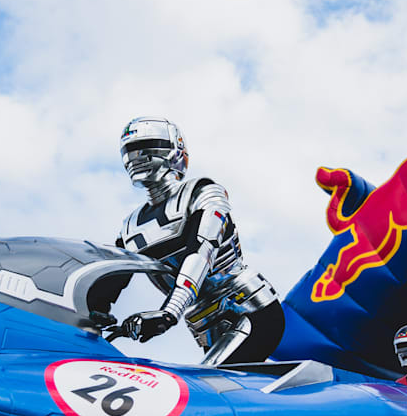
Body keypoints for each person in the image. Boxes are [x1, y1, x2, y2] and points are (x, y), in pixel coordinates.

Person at [116, 117, 284, 365]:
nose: (136, 157)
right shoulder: (129, 227)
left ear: (173, 150)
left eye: (149, 145)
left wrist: (169, 313)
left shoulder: (203, 192)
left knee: (205, 385)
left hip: (249, 309)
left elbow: (201, 252)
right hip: (202, 325)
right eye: (129, 150)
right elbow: (110, 280)